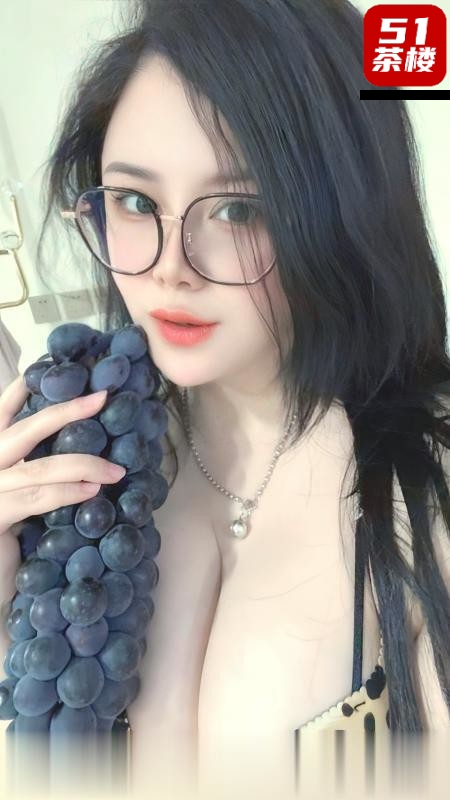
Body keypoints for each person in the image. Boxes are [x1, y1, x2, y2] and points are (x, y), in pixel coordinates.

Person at [1, 1, 449, 797]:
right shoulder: (80, 457)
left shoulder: (424, 490)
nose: (170, 267)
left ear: (346, 216)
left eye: (239, 208)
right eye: (135, 201)